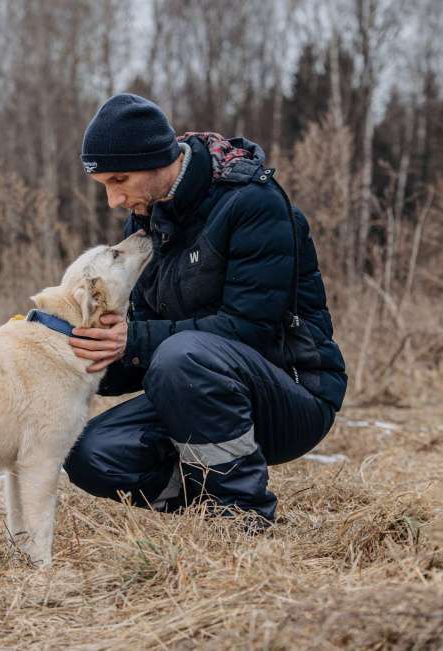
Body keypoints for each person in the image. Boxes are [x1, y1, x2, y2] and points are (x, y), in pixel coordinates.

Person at [63, 93, 348, 522]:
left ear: (158, 160)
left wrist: (134, 340)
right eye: (104, 184)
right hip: (194, 390)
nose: (113, 199)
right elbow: (147, 344)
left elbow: (252, 329)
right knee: (89, 453)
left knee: (182, 355)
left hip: (292, 396)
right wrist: (88, 356)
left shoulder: (254, 204)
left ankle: (243, 516)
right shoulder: (147, 219)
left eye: (119, 180)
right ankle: (205, 503)